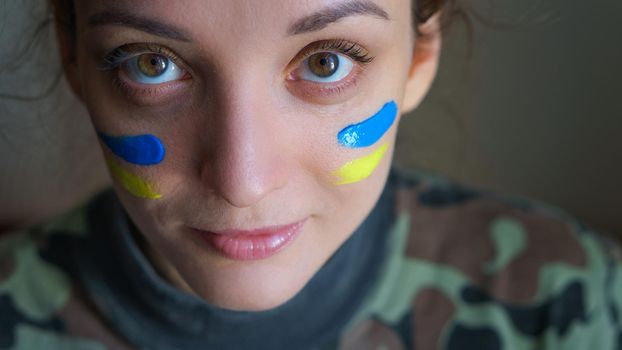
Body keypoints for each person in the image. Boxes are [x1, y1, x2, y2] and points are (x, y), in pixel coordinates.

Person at [1, 0, 620, 349]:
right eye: (152, 64)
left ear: (419, 55)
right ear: (73, 56)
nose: (242, 183)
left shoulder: (576, 307)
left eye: (326, 62)